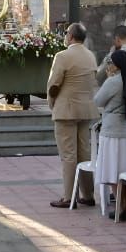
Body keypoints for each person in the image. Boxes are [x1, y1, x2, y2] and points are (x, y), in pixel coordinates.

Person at [46, 23, 99, 208]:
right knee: (84, 152)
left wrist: (53, 104)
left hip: (66, 109)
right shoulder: (90, 56)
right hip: (86, 109)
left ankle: (69, 196)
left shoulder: (63, 56)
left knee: (68, 154)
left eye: (66, 33)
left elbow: (53, 85)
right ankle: (88, 194)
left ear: (70, 36)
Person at [93, 49, 126, 221]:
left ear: (116, 65)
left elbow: (98, 101)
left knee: (114, 171)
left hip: (114, 131)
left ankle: (121, 207)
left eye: (110, 63)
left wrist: (107, 79)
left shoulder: (113, 81)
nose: (109, 66)